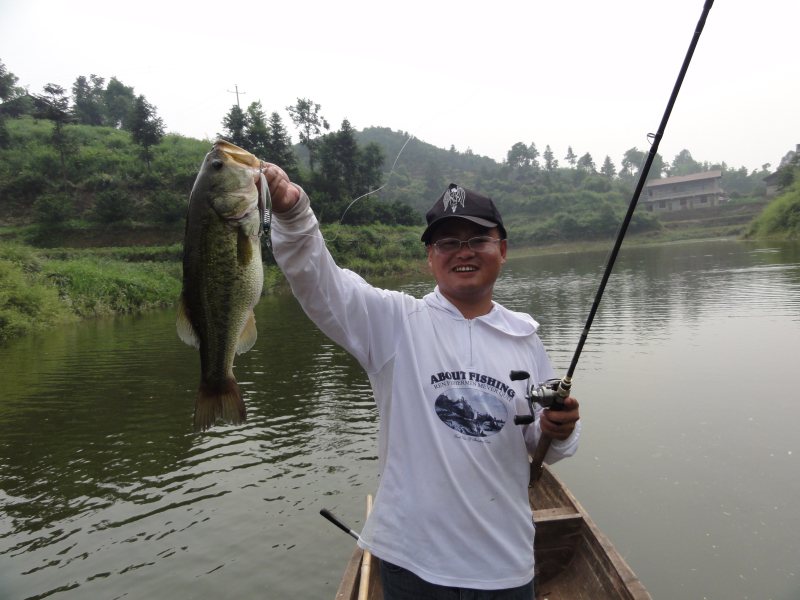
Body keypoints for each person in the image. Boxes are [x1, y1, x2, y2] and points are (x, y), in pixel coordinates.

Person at [262, 167, 581, 599]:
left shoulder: (525, 340)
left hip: (505, 564)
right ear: (430, 255)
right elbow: (319, 283)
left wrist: (560, 429)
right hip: (414, 564)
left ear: (501, 249)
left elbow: (545, 444)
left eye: (478, 240)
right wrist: (293, 211)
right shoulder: (394, 322)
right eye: (448, 242)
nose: (462, 252)